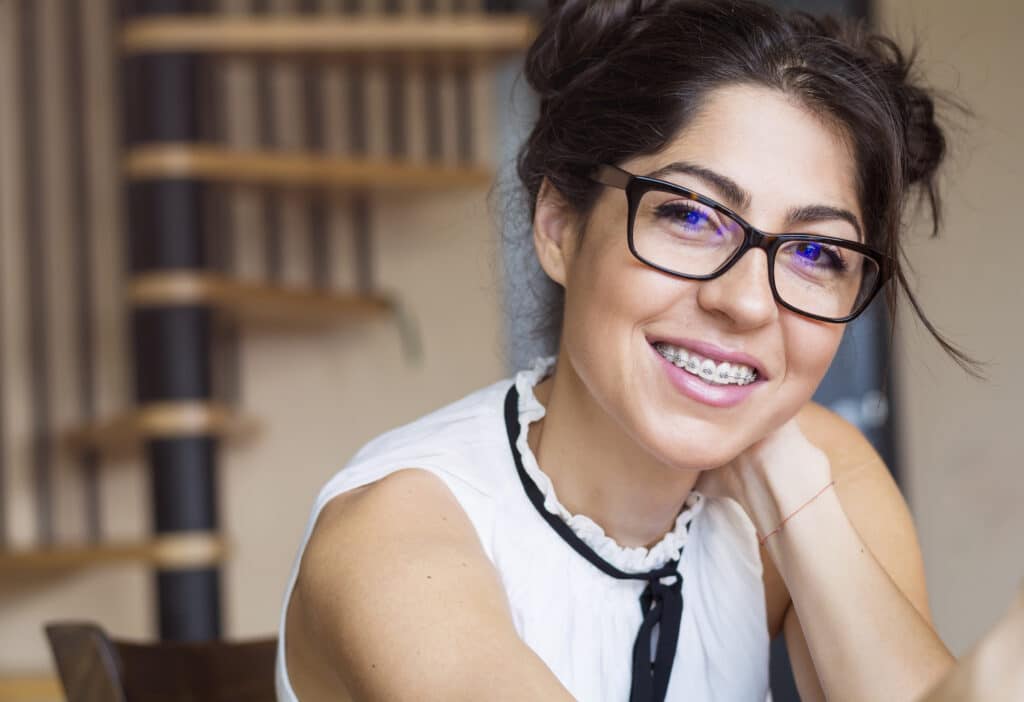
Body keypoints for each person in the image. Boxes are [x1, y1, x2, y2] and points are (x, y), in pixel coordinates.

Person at [275, 1, 978, 700]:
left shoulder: (821, 470)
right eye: (691, 215)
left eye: (817, 252)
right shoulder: (396, 536)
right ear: (557, 227)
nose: (746, 302)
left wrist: (789, 482)